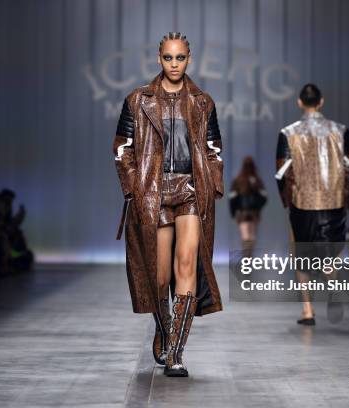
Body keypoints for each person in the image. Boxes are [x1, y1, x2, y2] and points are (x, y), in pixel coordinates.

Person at [113, 32, 224, 377]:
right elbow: (122, 149)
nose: (174, 64)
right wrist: (135, 188)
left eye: (180, 58)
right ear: (158, 58)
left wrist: (212, 186)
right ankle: (164, 328)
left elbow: (214, 150)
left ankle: (176, 351)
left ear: (189, 58)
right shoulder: (138, 100)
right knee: (159, 274)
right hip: (154, 192)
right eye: (168, 58)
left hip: (191, 190)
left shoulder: (203, 102)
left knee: (187, 263)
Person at [275, 84, 349, 325]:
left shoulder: (288, 132)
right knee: (329, 254)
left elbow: (281, 172)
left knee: (302, 256)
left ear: (300, 103)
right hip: (333, 201)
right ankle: (332, 285)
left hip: (302, 202)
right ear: (321, 102)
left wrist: (287, 201)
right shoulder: (341, 131)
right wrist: (347, 199)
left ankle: (308, 311)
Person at [228, 156, 267, 258]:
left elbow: (233, 199)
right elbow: (264, 198)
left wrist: (233, 212)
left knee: (246, 237)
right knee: (251, 237)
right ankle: (248, 257)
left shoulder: (238, 180)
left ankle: (247, 258)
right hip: (252, 213)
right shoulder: (256, 180)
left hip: (243, 213)